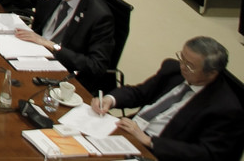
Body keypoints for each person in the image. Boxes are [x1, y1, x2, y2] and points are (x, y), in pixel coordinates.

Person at [98, 38, 244, 160]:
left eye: (189, 66)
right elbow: (141, 92)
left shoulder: (225, 108)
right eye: (182, 58)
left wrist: (149, 141)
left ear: (212, 73)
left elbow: (206, 153)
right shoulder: (173, 69)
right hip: (128, 132)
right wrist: (111, 99)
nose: (182, 66)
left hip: (157, 152)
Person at [3, 0, 121, 94]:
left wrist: (52, 46)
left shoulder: (98, 16)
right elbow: (9, 0)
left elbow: (96, 66)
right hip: (31, 51)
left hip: (62, 71)